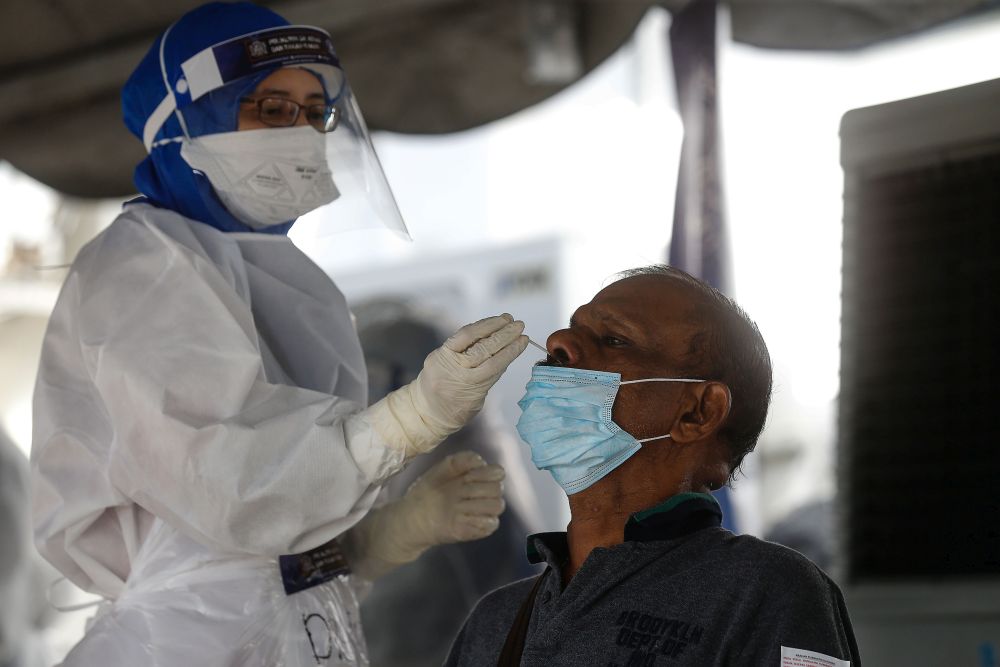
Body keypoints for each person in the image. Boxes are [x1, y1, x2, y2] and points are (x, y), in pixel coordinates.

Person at [30, 3, 527, 666]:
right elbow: (229, 486)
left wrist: (378, 540)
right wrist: (412, 418)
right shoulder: (144, 268)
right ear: (187, 121)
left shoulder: (280, 279)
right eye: (270, 110)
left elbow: (262, 557)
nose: (300, 133)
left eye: (312, 112)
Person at [446, 265, 862, 667]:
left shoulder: (766, 591)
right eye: (571, 329)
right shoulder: (495, 620)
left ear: (697, 413)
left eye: (614, 339)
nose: (558, 342)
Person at [352, 300, 540, 667]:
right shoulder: (452, 464)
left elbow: (388, 643)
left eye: (367, 380)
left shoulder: (450, 493)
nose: (357, 399)